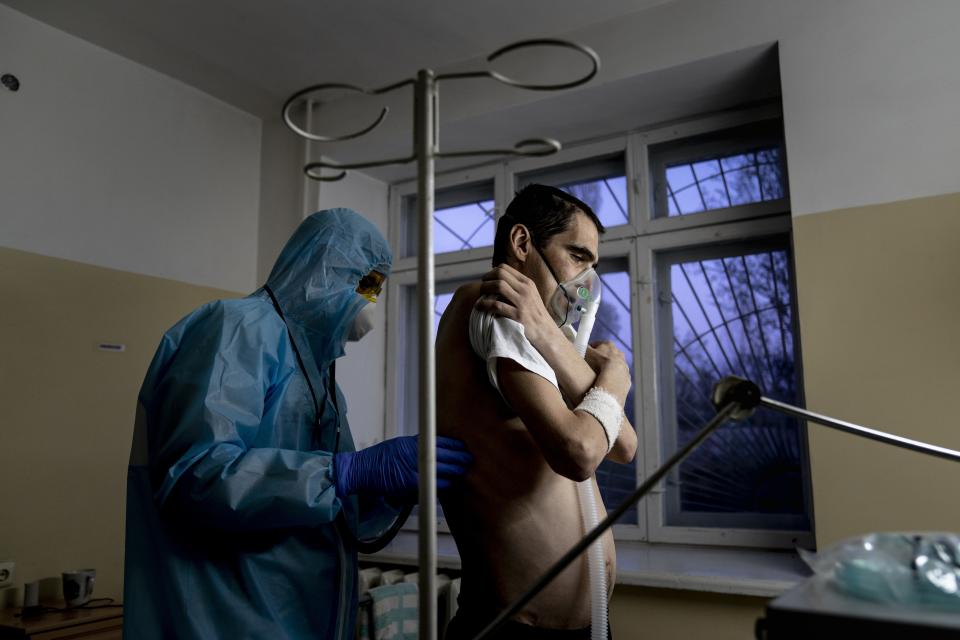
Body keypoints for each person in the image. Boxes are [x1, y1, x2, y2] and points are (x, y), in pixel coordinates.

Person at [123, 208, 472, 640]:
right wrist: (345, 471)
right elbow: (196, 478)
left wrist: (387, 491)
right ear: (325, 267)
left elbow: (329, 512)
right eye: (368, 284)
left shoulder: (318, 377)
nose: (369, 305)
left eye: (377, 289)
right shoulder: (236, 330)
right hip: (225, 616)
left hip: (296, 616)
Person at [436, 185, 637, 639]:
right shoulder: (493, 302)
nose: (588, 280)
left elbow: (625, 445)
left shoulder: (543, 331)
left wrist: (552, 336)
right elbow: (580, 453)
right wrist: (617, 377)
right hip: (514, 627)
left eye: (594, 265)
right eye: (578, 256)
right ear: (523, 244)